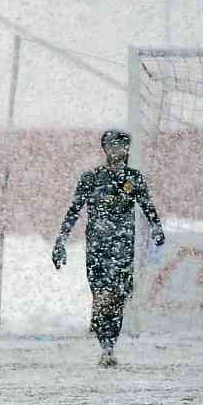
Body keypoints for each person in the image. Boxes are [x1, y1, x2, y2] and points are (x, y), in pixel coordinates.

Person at [53, 129, 165, 367]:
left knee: (118, 299)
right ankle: (105, 345)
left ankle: (109, 346)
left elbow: (147, 206)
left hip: (123, 247)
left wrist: (157, 227)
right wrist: (61, 240)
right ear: (105, 149)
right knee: (103, 297)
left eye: (123, 147)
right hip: (98, 248)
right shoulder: (91, 178)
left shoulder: (134, 179)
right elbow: (74, 210)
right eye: (114, 146)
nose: (119, 152)